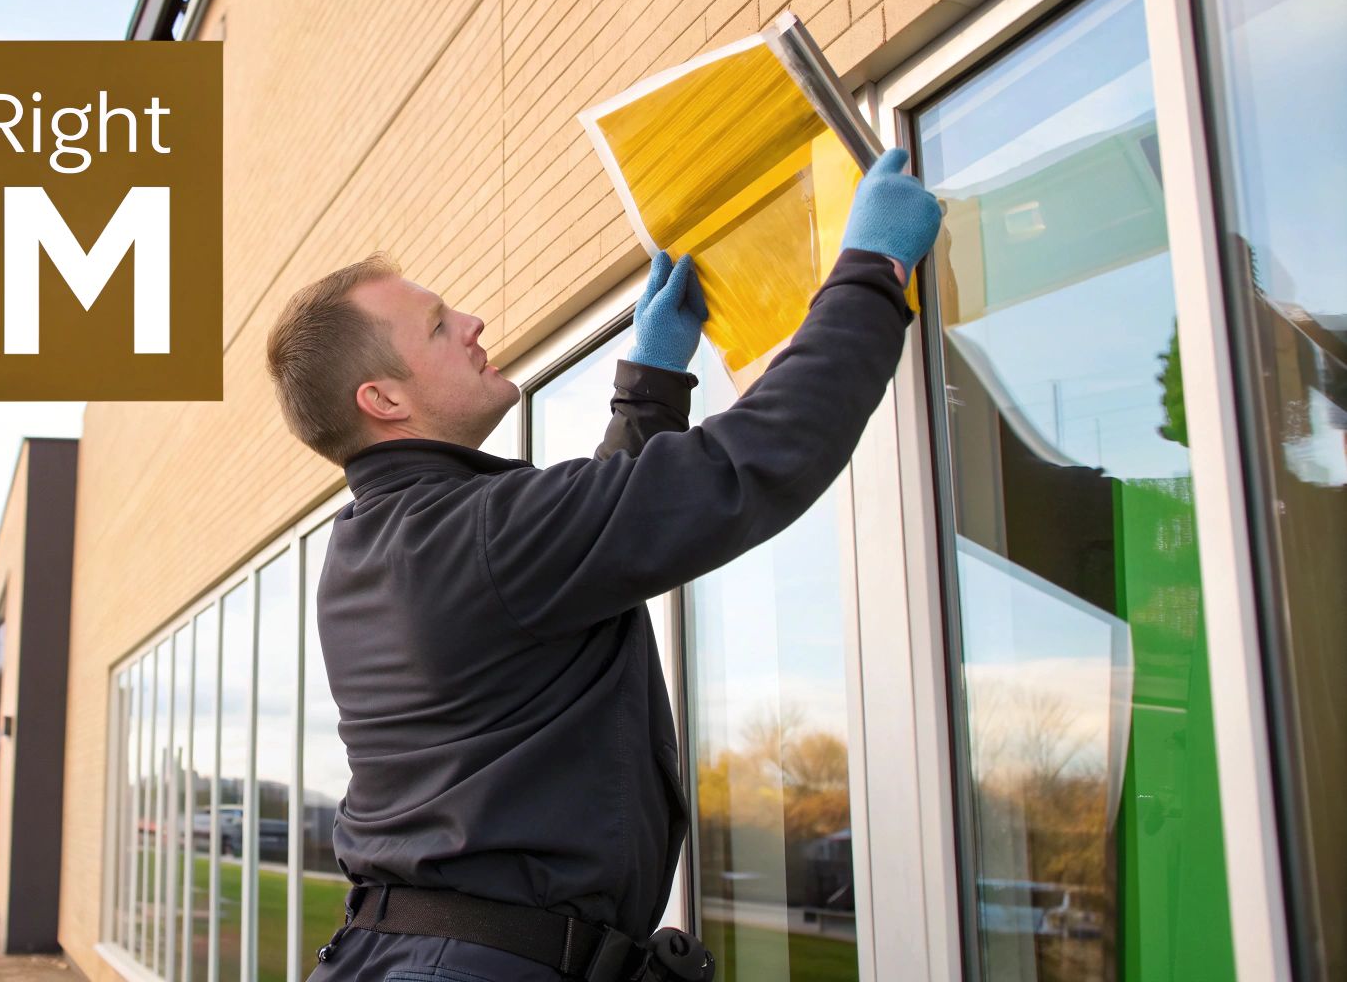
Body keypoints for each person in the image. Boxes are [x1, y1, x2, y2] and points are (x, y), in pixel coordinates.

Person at [264, 148, 941, 981]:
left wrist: (650, 388)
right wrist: (872, 274)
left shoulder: (376, 542)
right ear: (385, 400)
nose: (473, 324)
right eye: (440, 325)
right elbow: (754, 461)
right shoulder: (475, 535)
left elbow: (579, 549)